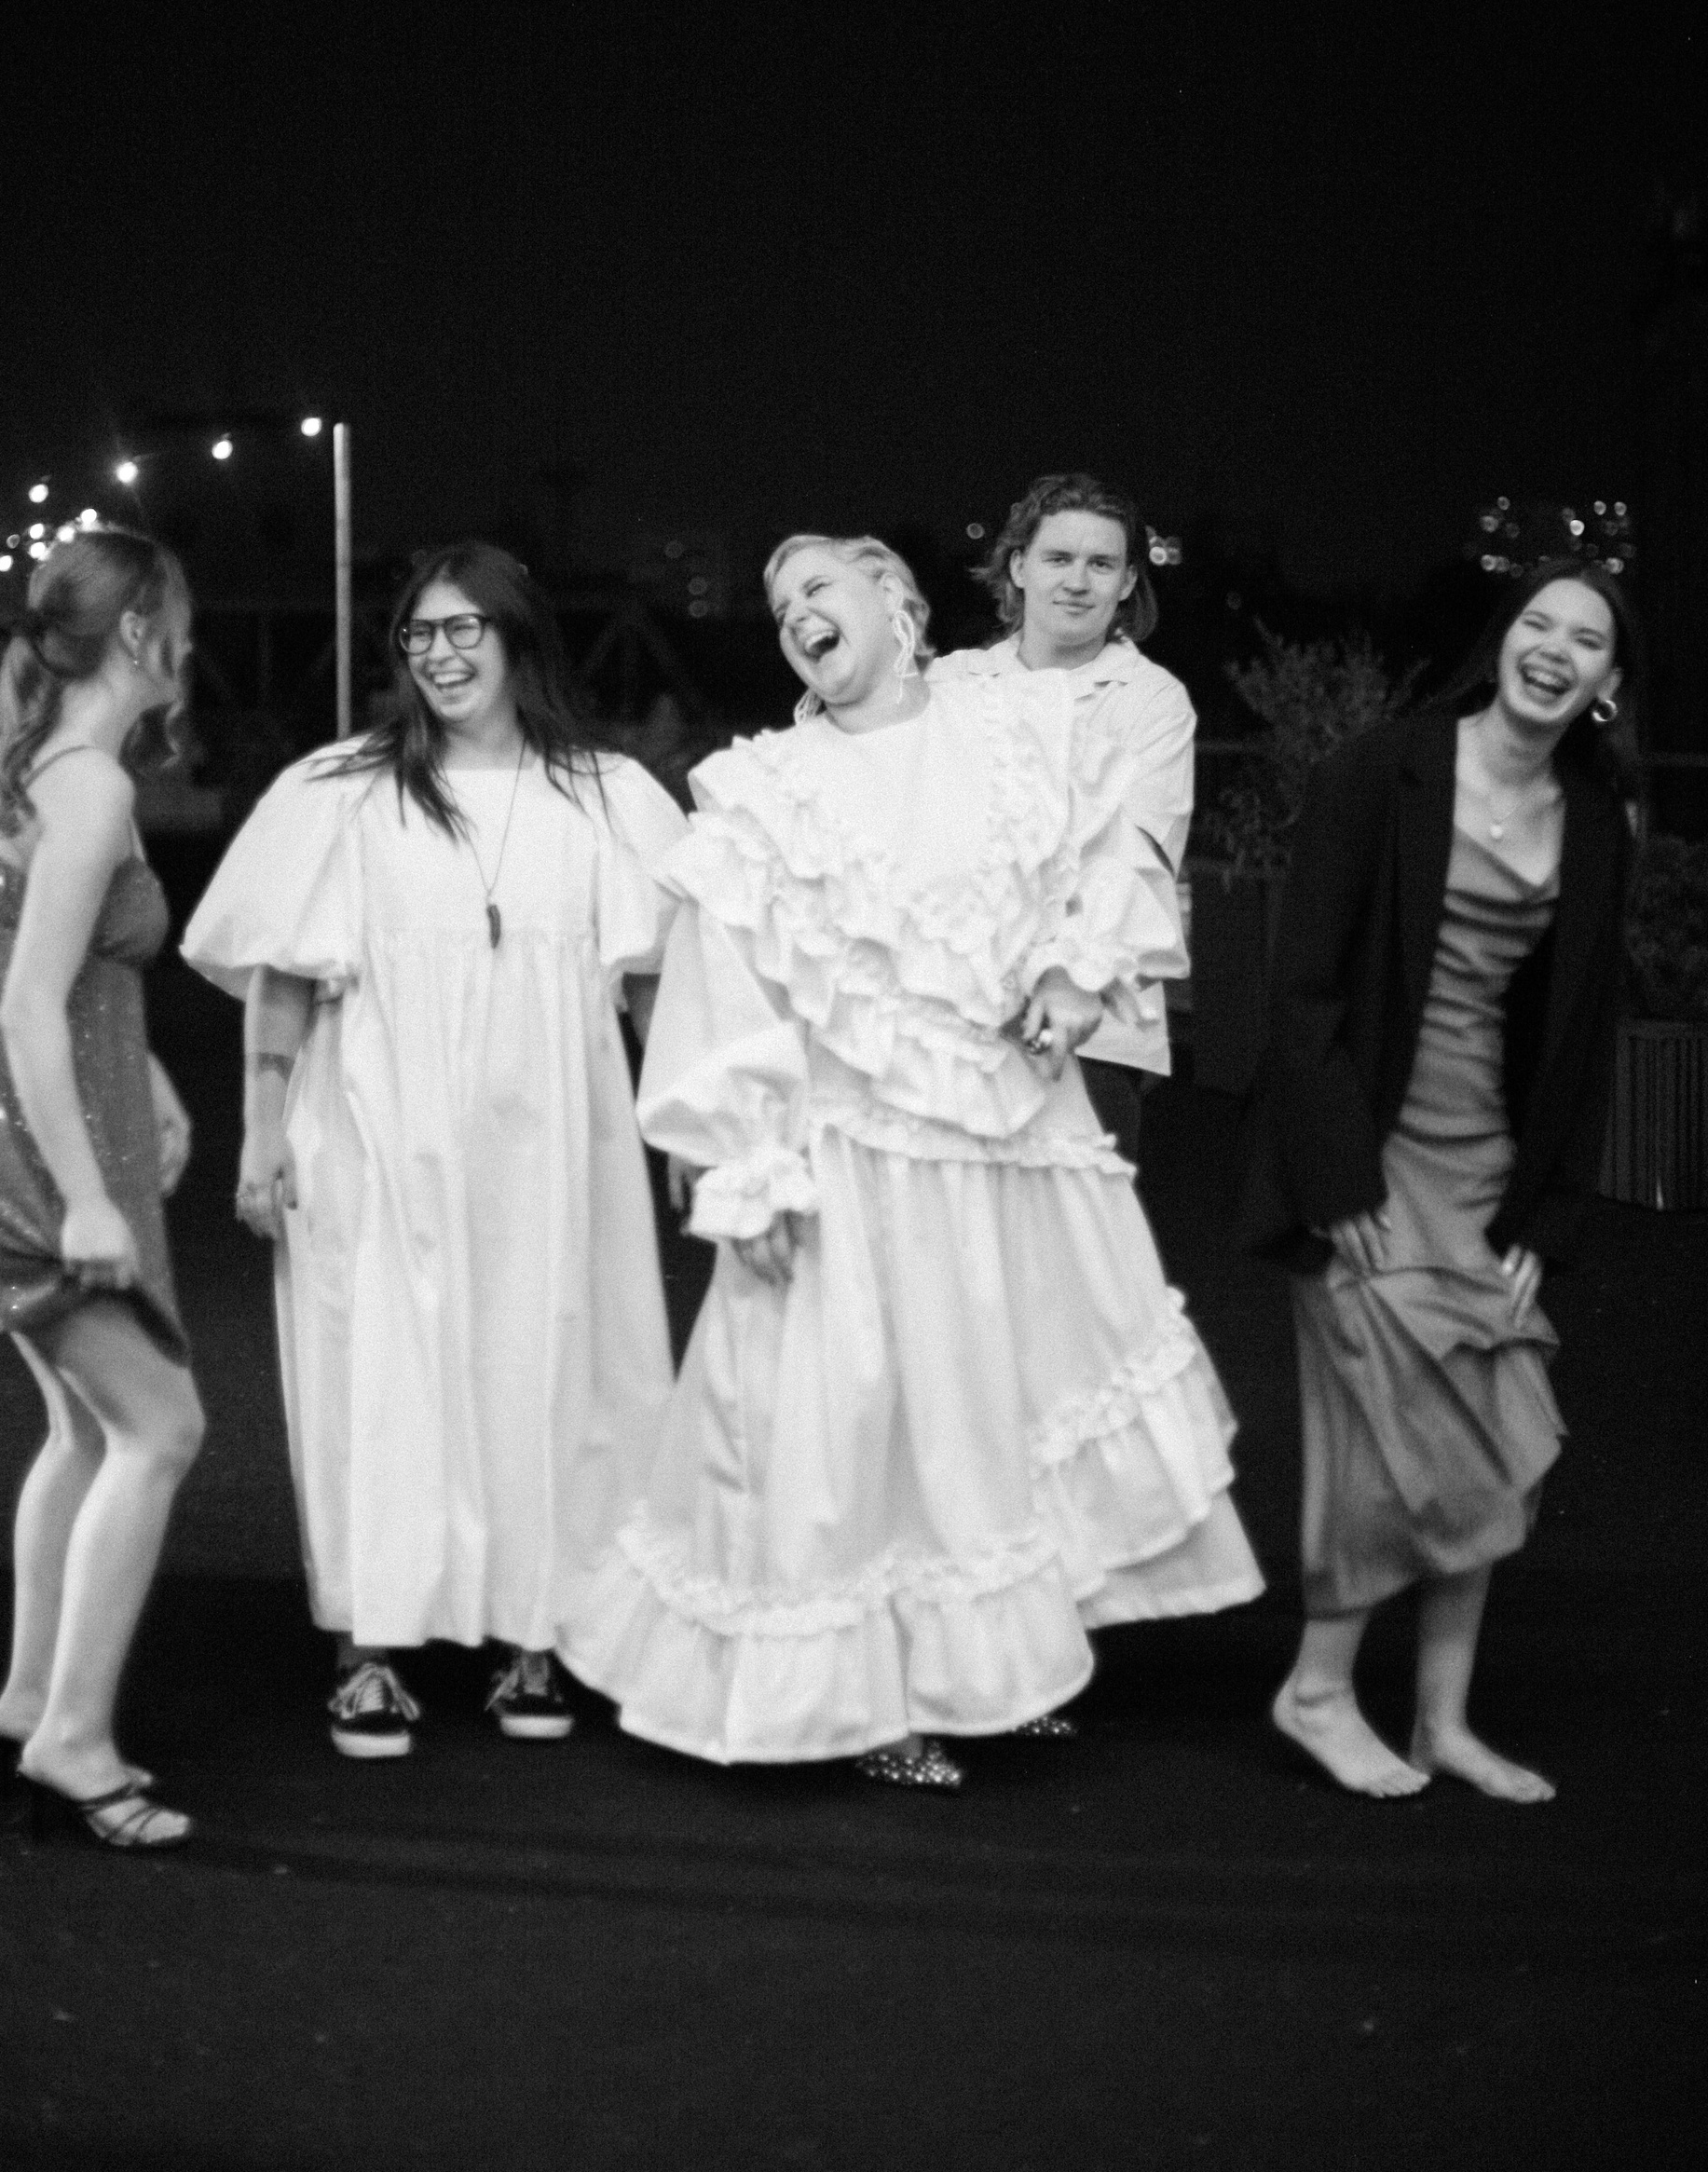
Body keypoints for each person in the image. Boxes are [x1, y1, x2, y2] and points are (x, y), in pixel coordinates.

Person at [561, 535, 1263, 1788]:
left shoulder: (1017, 734)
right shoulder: (768, 790)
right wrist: (746, 1162)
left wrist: (1073, 974)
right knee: (854, 1426)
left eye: (817, 588)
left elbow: (1110, 865)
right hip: (851, 1154)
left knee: (982, 1411)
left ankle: (984, 1674)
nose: (796, 613)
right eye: (779, 604)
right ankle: (866, 1705)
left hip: (1001, 1139)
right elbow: (725, 983)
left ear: (897, 603)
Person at [182, 542, 685, 1758]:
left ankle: (536, 1631)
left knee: (551, 1368)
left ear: (518, 639)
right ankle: (371, 1647)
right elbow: (284, 975)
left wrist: (695, 1130)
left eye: (467, 630)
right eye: (421, 633)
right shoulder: (343, 791)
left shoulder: (608, 795)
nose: (442, 655)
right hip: (376, 1128)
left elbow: (661, 987)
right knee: (382, 1376)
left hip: (554, 1144)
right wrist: (260, 1134)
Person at [1240, 561, 1639, 1802]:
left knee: (1497, 1436)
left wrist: (1545, 1217)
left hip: (1488, 1169)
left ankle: (1442, 1723)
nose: (1555, 649)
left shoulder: (1596, 819)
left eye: (1587, 639)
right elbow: (1300, 989)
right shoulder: (1384, 769)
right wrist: (1336, 1180)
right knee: (1385, 1440)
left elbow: (1582, 1035)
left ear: (1609, 681)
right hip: (1363, 1160)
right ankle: (1317, 1691)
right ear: (1501, 641)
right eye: (1538, 623)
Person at [0, 528, 202, 1850]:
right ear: (140, 630)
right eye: (180, 620)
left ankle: (32, 1701)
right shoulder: (85, 785)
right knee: (162, 1429)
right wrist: (88, 1201)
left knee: (85, 1432)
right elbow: (27, 1005)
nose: (191, 646)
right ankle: (74, 1742)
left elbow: (55, 969)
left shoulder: (26, 769)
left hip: (2, 1129)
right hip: (33, 1152)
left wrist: (147, 1072)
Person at [945, 472, 1194, 1163]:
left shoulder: (1152, 701)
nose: (1078, 581)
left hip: (1090, 1028)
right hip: (954, 1019)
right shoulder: (952, 683)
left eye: (1101, 564)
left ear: (1127, 582)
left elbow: (1132, 863)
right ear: (1018, 567)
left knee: (1079, 1227)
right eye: (1058, 558)